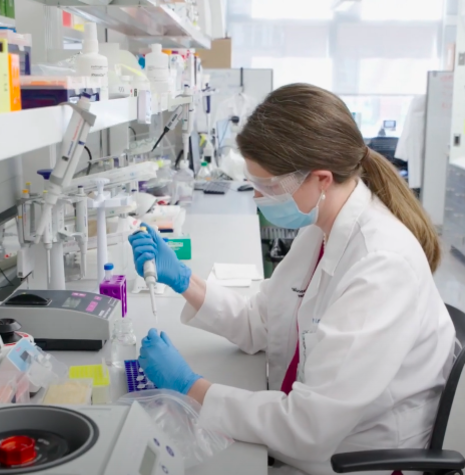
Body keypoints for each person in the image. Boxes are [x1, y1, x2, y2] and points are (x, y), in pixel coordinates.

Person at [129, 84, 456, 475]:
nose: (257, 198)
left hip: (357, 456)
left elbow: (309, 426)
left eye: (268, 185)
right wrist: (185, 281)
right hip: (318, 435)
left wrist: (190, 387)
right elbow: (261, 322)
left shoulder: (381, 265)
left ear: (320, 179)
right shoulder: (319, 228)